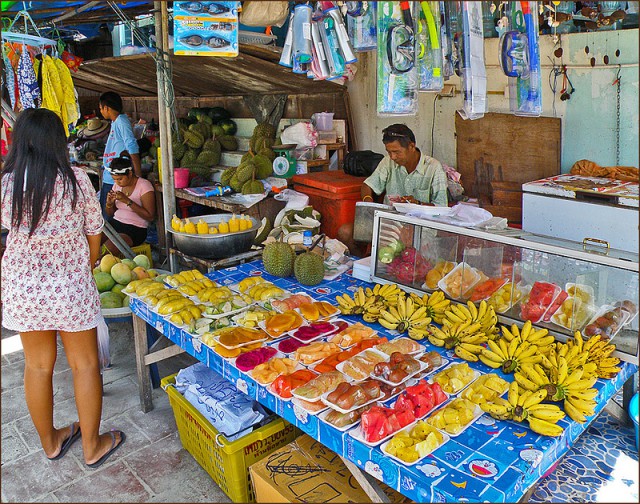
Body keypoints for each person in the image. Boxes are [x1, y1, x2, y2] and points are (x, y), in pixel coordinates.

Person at [1, 108, 125, 468]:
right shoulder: (76, 179)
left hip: (23, 287)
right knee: (85, 365)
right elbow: (94, 232)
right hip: (69, 286)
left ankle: (51, 442)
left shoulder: (6, 183)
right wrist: (82, 268)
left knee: (37, 367)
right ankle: (92, 445)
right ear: (58, 141)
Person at [338, 124, 449, 254]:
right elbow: (367, 185)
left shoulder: (434, 168)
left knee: (399, 241)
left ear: (411, 147)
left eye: (397, 152)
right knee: (345, 232)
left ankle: (378, 263)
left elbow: (442, 208)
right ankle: (364, 263)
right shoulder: (388, 162)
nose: (392, 157)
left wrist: (418, 204)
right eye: (389, 152)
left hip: (419, 228)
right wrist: (369, 203)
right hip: (387, 223)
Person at [102, 153, 156, 254]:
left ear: (130, 174)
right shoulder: (116, 186)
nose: (117, 182)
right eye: (115, 179)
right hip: (116, 223)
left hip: (135, 229)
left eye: (120, 179)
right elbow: (110, 213)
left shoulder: (144, 186)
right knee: (93, 240)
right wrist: (109, 203)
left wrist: (127, 201)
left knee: (108, 250)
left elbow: (150, 216)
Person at [99, 91, 141, 217]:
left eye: (101, 108)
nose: (101, 111)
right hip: (109, 175)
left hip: (116, 177)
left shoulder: (122, 121)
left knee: (109, 215)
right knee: (106, 211)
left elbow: (132, 146)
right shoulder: (115, 122)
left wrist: (138, 174)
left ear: (106, 108)